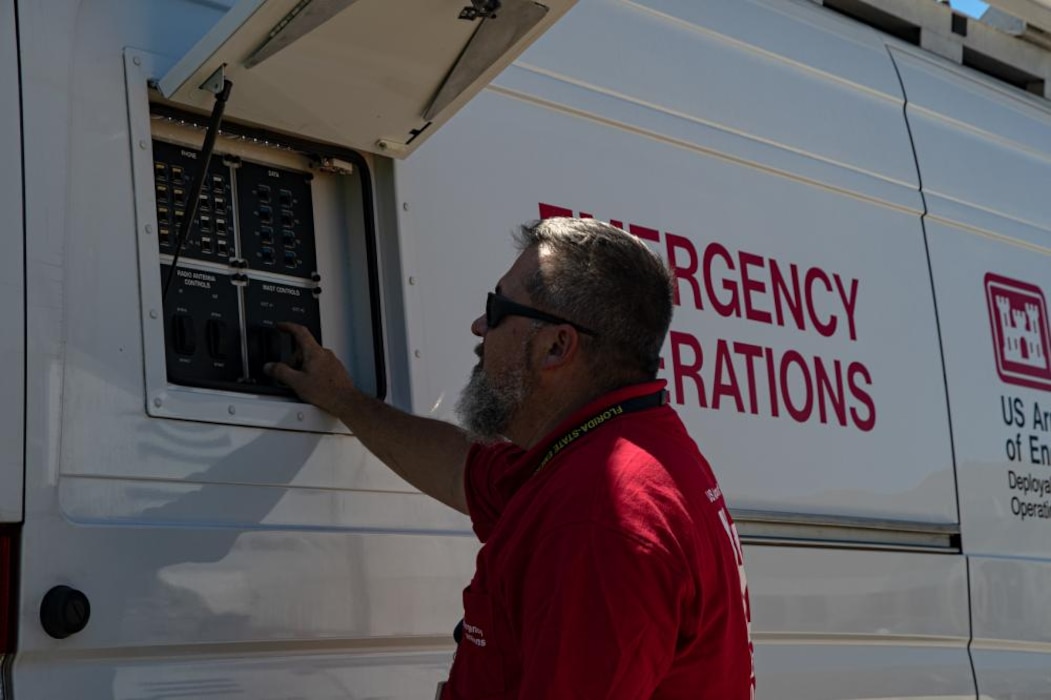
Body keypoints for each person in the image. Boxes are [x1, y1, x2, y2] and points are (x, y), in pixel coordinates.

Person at [265, 217, 755, 699]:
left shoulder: (598, 516)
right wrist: (346, 401)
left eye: (496, 309)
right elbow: (461, 469)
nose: (479, 327)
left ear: (556, 345)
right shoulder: (607, 451)